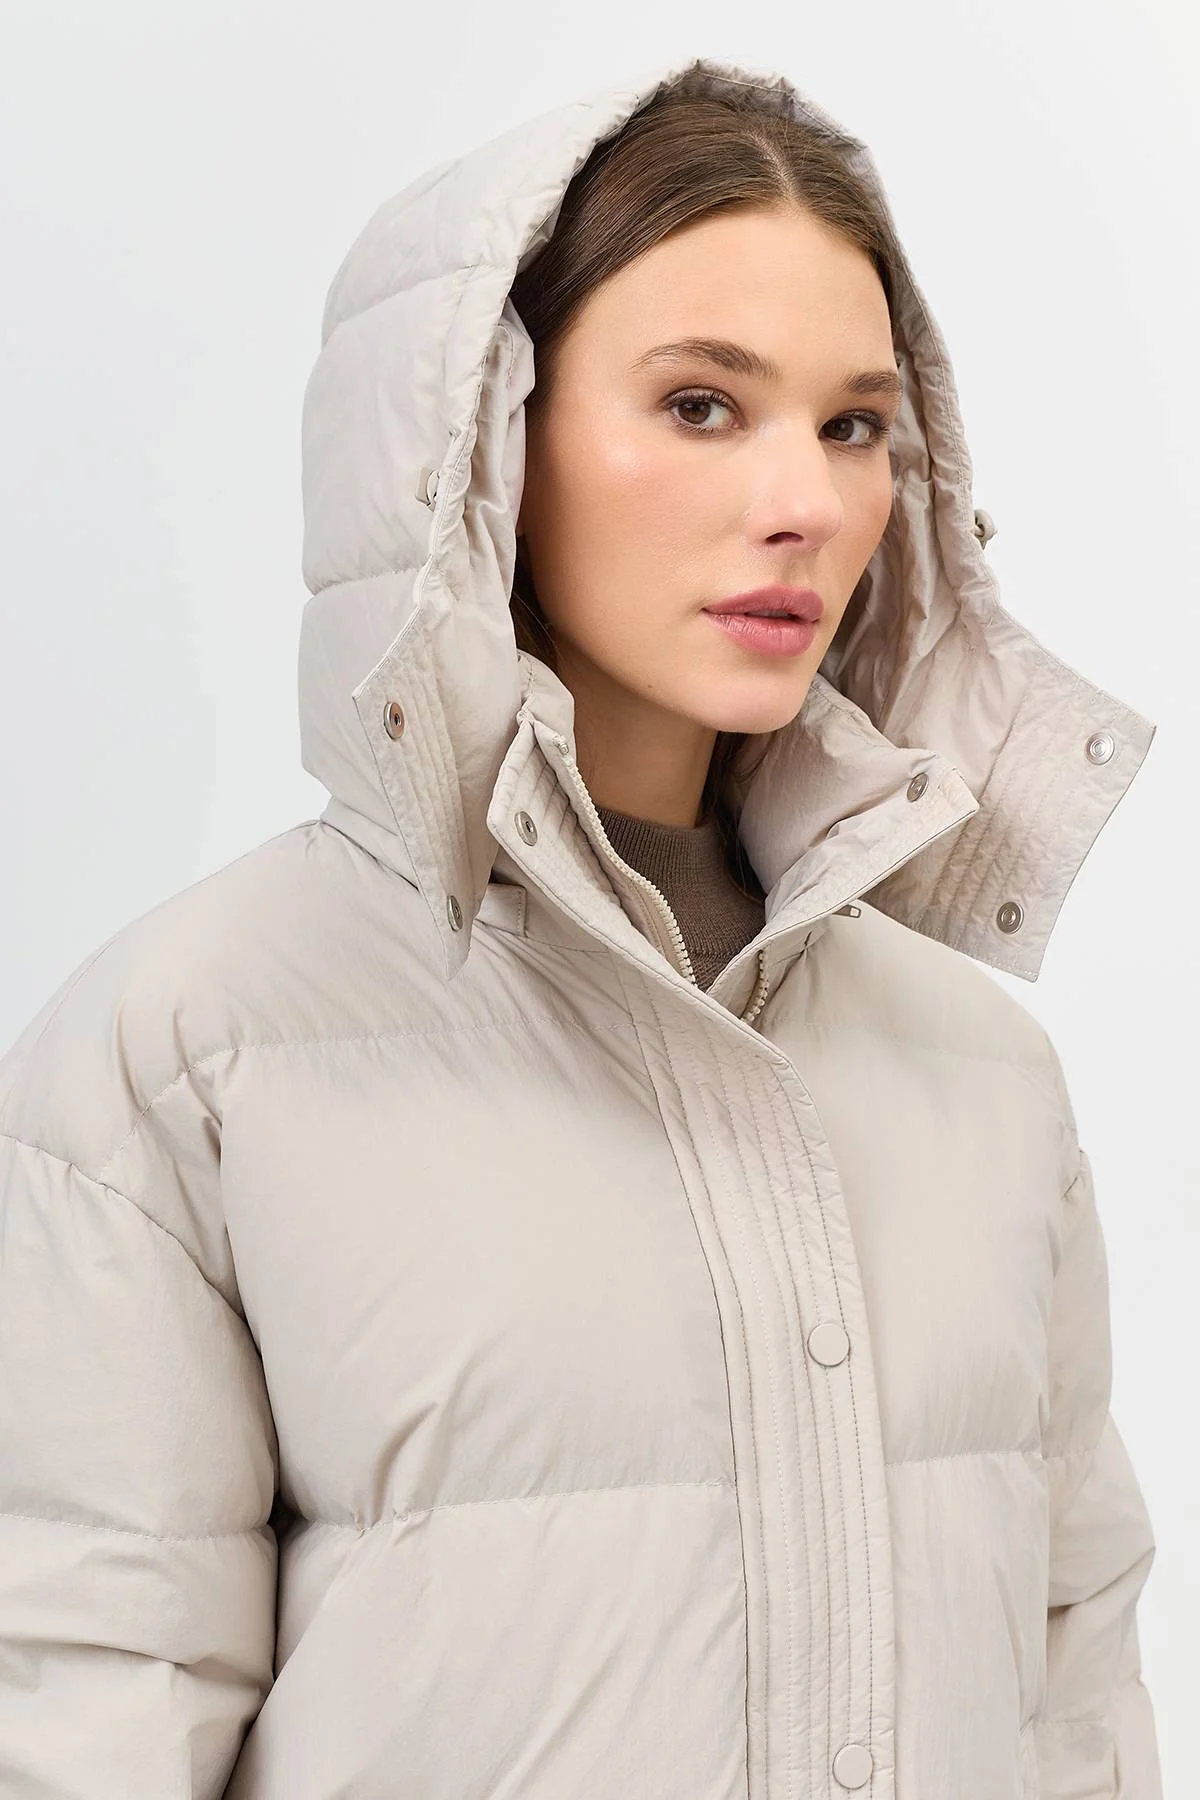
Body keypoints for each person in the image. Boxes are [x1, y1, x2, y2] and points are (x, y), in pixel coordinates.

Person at [0, 53, 1163, 1800]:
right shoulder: (188, 1055)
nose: (804, 500)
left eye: (854, 426)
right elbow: (81, 1716)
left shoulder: (981, 1069)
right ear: (483, 441)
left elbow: (1079, 1704)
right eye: (702, 404)